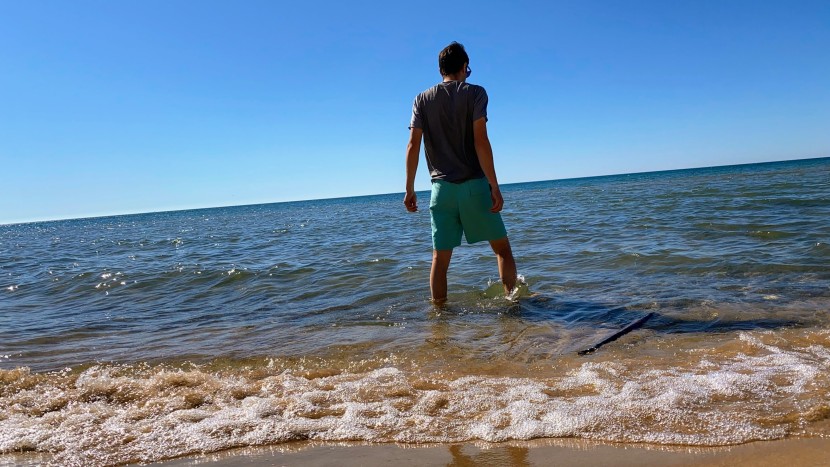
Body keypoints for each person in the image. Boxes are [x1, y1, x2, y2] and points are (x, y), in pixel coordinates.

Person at [404, 41, 517, 304]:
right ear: (465, 67)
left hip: (440, 190)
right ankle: (514, 307)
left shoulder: (421, 99)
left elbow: (413, 145)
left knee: (439, 260)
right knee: (502, 250)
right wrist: (494, 185)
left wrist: (409, 188)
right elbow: (481, 141)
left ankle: (440, 323)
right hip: (474, 186)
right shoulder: (476, 93)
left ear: (440, 69)